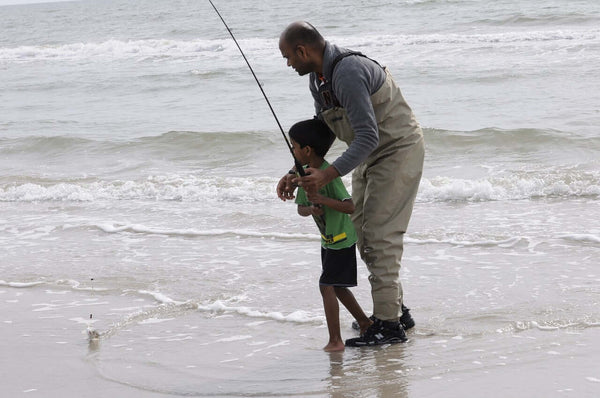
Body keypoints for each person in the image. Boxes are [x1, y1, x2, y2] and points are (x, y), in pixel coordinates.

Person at [277, 22, 424, 346]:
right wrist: (296, 171)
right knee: (362, 230)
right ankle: (398, 312)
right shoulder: (319, 81)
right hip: (369, 156)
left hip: (397, 150)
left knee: (380, 236)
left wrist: (327, 175)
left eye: (288, 57)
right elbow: (322, 134)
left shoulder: (348, 71)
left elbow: (369, 135)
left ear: (303, 51)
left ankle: (389, 326)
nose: (288, 64)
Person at [289, 118, 373, 352]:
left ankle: (335, 341)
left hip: (342, 240)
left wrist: (323, 200)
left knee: (326, 285)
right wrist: (311, 208)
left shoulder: (328, 175)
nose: (292, 151)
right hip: (328, 241)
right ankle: (365, 322)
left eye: (293, 147)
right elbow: (300, 209)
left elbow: (350, 207)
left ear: (307, 150)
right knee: (336, 287)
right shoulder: (304, 174)